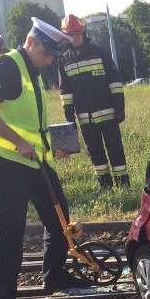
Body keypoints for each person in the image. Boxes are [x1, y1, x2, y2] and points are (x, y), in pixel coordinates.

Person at [0, 17, 91, 299]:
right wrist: (18, 142)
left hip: (32, 160)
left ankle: (54, 276)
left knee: (58, 217)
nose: (50, 60)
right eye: (47, 54)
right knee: (10, 231)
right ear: (32, 41)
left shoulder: (33, 71)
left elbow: (30, 125)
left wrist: (52, 149)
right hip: (4, 159)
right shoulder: (9, 66)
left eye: (54, 56)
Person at [58, 14, 129, 190]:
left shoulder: (99, 53)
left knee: (115, 150)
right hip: (85, 117)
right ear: (65, 37)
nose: (75, 38)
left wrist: (119, 107)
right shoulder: (64, 60)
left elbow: (115, 82)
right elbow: (65, 91)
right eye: (71, 35)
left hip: (108, 114)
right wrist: (69, 116)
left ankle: (124, 185)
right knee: (95, 153)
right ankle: (104, 186)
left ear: (84, 33)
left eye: (77, 34)